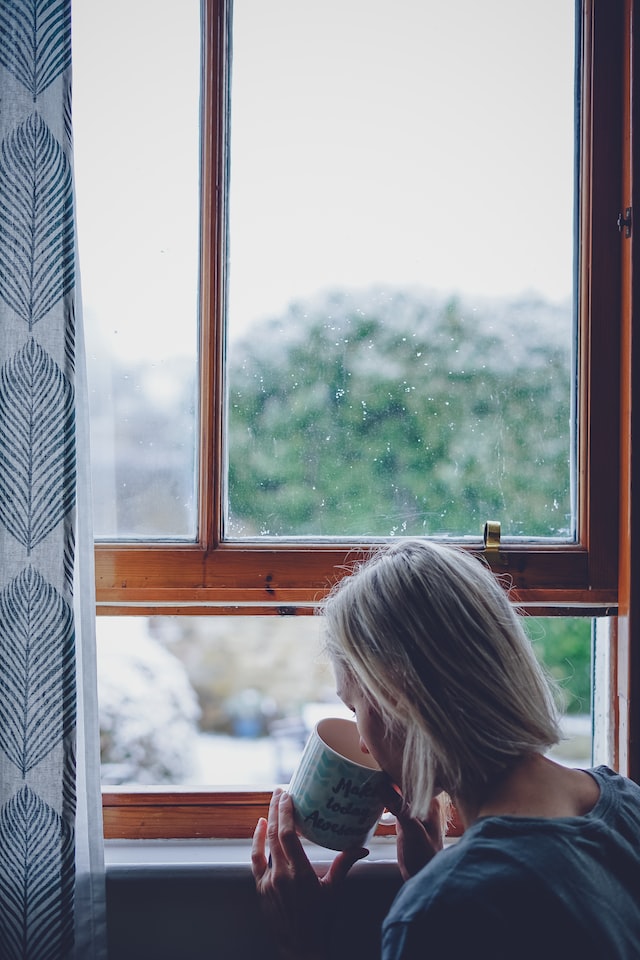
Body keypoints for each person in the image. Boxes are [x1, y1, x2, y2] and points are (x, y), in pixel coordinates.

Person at [252, 538, 640, 959]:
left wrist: (303, 944)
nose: (362, 742)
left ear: (397, 697)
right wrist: (437, 870)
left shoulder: (437, 913)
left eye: (355, 708)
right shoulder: (627, 802)